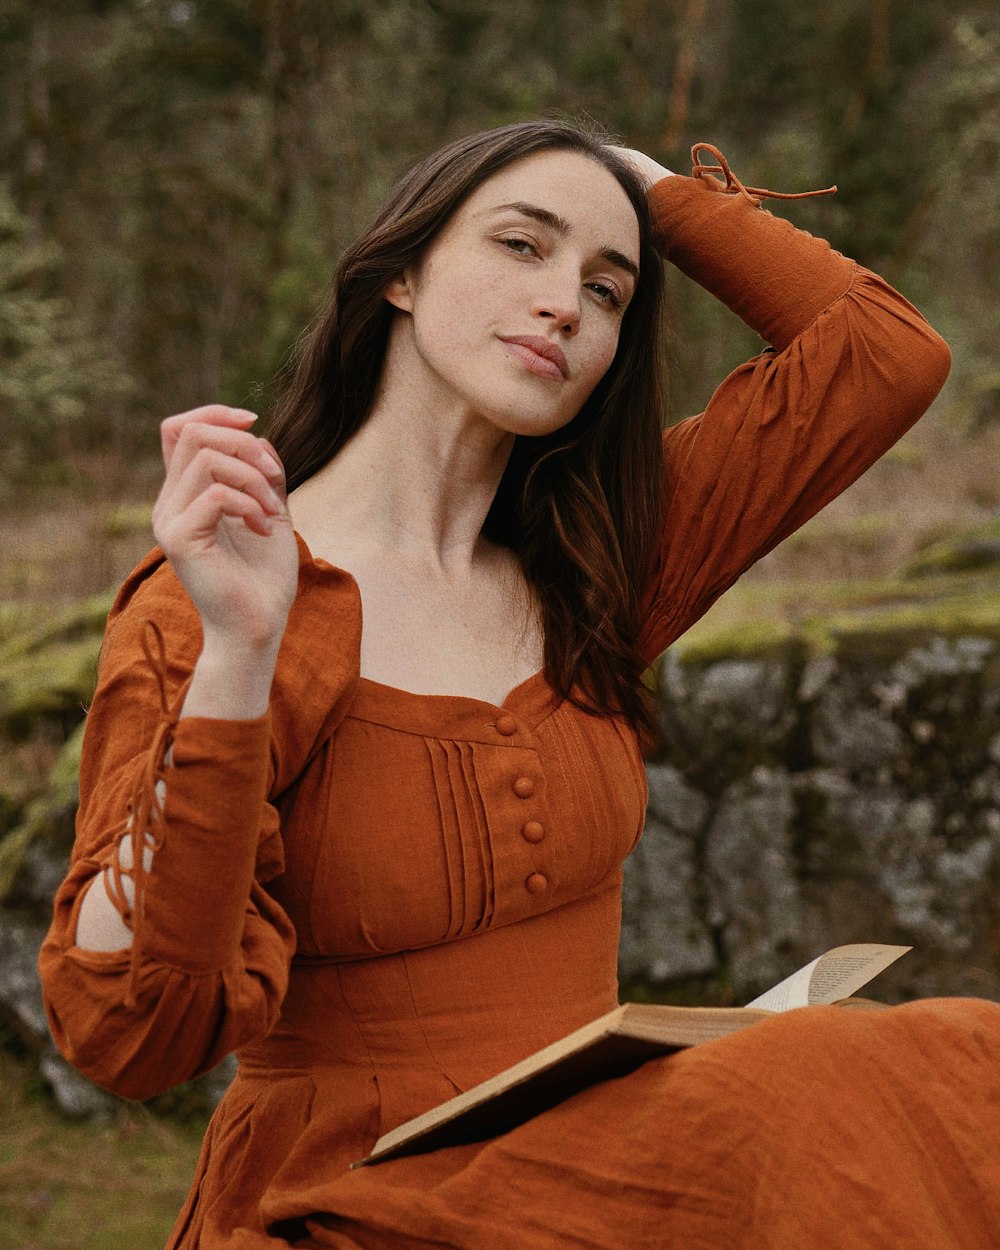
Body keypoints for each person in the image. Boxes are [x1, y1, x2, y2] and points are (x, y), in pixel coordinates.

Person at [39, 120, 1000, 1249]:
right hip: (360, 1195)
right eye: (520, 244)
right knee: (806, 1086)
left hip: (603, 1163)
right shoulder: (213, 594)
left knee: (948, 1066)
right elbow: (133, 1030)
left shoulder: (594, 568)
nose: (565, 305)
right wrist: (241, 657)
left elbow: (884, 353)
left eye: (606, 290)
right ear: (398, 269)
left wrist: (641, 185)